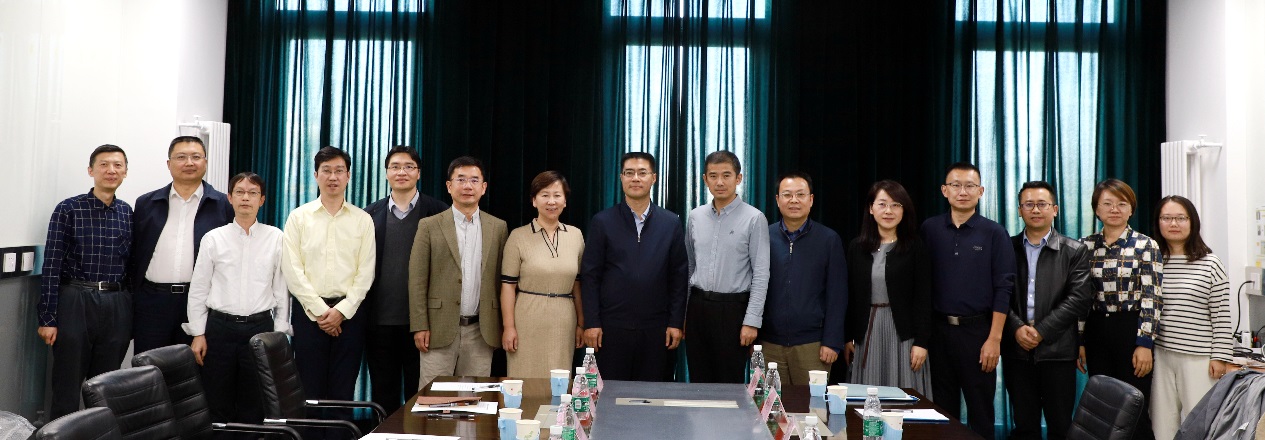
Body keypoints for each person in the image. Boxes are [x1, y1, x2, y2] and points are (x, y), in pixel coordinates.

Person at [184, 172, 290, 427]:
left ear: (262, 200)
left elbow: (281, 290)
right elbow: (199, 288)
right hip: (219, 329)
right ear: (230, 198)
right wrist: (198, 333)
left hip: (260, 329)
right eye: (240, 192)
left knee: (254, 403)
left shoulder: (275, 237)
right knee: (217, 400)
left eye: (253, 193)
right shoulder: (213, 238)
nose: (246, 198)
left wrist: (278, 335)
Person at [920, 162, 1016, 440]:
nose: (963, 192)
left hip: (978, 333)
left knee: (981, 413)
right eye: (956, 185)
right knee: (941, 411)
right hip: (938, 332)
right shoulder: (929, 229)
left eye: (970, 186)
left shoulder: (994, 233)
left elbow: (1004, 288)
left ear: (981, 191)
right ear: (944, 190)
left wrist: (994, 339)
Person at [38, 144, 134, 419]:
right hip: (75, 299)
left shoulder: (127, 212)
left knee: (106, 384)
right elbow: (52, 264)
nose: (111, 170)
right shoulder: (68, 209)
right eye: (104, 164)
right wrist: (47, 318)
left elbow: (132, 265)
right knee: (67, 382)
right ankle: (61, 433)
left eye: (117, 165)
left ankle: (99, 432)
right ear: (91, 171)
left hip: (116, 302)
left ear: (125, 172)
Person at [280, 146, 376, 415]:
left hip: (350, 317)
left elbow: (365, 272)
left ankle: (340, 434)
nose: (333, 177)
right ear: (316, 175)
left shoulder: (363, 220)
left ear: (348, 176)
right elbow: (292, 270)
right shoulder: (298, 217)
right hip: (309, 315)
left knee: (343, 391)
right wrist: (322, 312)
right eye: (326, 171)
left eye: (339, 171)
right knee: (308, 390)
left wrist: (341, 311)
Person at [581, 152, 688, 381]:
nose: (635, 178)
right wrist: (592, 322)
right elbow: (590, 277)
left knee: (654, 395)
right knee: (610, 394)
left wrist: (675, 323)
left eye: (642, 173)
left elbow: (679, 278)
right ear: (621, 178)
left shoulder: (671, 223)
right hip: (610, 329)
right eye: (629, 173)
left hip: (657, 330)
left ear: (654, 178)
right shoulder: (603, 221)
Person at [1001, 181, 1094, 440]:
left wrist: (1041, 331)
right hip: (1017, 350)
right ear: (1019, 210)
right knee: (1025, 426)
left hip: (1058, 351)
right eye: (1028, 204)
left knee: (1061, 426)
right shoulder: (1006, 248)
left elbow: (1079, 299)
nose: (1035, 210)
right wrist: (1016, 327)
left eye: (1042, 204)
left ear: (1054, 209)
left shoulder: (1074, 250)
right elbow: (998, 295)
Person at [409, 156, 508, 387]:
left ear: (483, 187)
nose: (467, 186)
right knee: (433, 398)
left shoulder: (498, 227)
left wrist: (502, 326)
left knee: (475, 398)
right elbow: (417, 280)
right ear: (449, 186)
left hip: (481, 331)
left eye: (474, 180)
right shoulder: (429, 225)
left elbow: (500, 280)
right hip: (437, 329)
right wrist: (420, 325)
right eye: (461, 179)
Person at [362, 146, 446, 413]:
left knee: (420, 396)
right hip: (379, 322)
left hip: (421, 325)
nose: (402, 172)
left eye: (409, 167)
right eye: (395, 167)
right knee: (382, 395)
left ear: (418, 173)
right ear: (387, 173)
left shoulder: (439, 212)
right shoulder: (368, 215)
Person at [130, 136, 233, 353]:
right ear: (169, 164)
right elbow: (135, 254)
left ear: (205, 162)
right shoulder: (146, 203)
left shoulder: (223, 204)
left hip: (200, 303)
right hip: (152, 302)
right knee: (149, 366)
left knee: (194, 367)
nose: (189, 163)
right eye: (181, 157)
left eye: (196, 157)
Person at [1080, 178, 1163, 440]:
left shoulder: (1146, 245)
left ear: (1131, 209)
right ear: (1097, 209)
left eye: (1121, 204)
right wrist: (1079, 340)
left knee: (1134, 406)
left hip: (1131, 329)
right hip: (1096, 329)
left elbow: (1152, 297)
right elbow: (1081, 297)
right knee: (1103, 406)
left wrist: (1145, 343)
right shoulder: (1084, 245)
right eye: (1107, 203)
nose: (1114, 209)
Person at [685, 151, 770, 384]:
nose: (720, 182)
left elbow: (761, 274)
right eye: (713, 176)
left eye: (726, 175)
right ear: (705, 179)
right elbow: (690, 266)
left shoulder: (754, 218)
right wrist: (684, 314)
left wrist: (751, 321)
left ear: (738, 178)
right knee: (698, 381)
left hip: (733, 310)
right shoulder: (695, 217)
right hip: (698, 308)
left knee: (728, 384)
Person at [1149, 195, 1230, 440]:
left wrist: (1220, 356)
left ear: (1192, 222)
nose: (1173, 223)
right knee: (1162, 427)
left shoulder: (1210, 263)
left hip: (1199, 358)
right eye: (1166, 218)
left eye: (1181, 218)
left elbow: (1221, 315)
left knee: (1200, 426)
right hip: (1161, 355)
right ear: (1158, 223)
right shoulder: (1152, 261)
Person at [845, 180, 934, 398]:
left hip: (903, 335)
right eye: (882, 204)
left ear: (904, 210)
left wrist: (921, 342)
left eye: (896, 205)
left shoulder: (915, 246)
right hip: (867, 331)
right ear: (871, 208)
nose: (888, 211)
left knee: (904, 396)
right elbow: (850, 296)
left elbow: (924, 297)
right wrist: (847, 337)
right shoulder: (857, 247)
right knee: (867, 398)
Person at [760, 171, 847, 385]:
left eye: (800, 194)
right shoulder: (763, 236)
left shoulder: (828, 239)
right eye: (787, 195)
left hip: (813, 344)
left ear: (811, 199)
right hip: (769, 343)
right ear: (777, 200)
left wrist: (832, 341)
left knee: (811, 404)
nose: (794, 200)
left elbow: (837, 295)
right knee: (770, 403)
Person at [500, 171, 585, 378]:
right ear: (534, 200)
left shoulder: (576, 235)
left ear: (565, 201)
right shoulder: (518, 236)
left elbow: (578, 285)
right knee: (524, 379)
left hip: (564, 319)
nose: (551, 201)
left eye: (557, 195)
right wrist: (509, 327)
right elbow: (508, 286)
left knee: (559, 380)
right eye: (545, 195)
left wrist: (581, 324)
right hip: (527, 317)